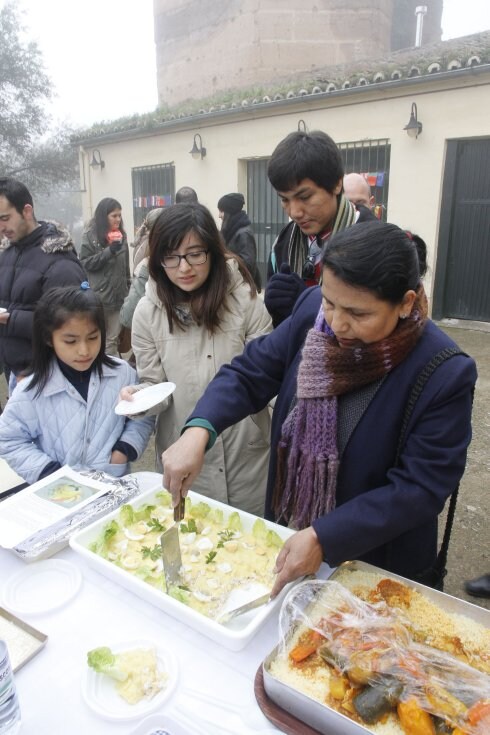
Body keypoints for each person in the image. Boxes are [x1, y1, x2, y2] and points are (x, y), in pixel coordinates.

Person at [160, 221, 477, 596]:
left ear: (406, 303)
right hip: (290, 533)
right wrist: (199, 429)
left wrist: (325, 536)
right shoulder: (313, 312)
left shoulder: (442, 371)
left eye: (358, 314)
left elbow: (419, 489)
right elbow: (250, 371)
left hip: (372, 565)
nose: (337, 323)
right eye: (330, 301)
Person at [121, 203, 272, 516]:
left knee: (255, 544)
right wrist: (140, 397)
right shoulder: (147, 313)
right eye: (171, 257)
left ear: (212, 251)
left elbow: (268, 374)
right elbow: (155, 385)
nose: (183, 268)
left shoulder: (245, 300)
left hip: (247, 457)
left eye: (194, 254)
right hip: (187, 459)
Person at [0, 284, 154, 485]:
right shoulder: (32, 389)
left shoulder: (122, 373)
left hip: (112, 484)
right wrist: (49, 473)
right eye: (70, 341)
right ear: (49, 339)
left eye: (92, 338)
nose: (84, 350)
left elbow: (142, 415)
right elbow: (9, 439)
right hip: (59, 495)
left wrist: (124, 449)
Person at [264, 130, 375, 326]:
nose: (294, 212)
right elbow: (281, 337)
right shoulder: (283, 243)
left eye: (304, 197)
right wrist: (278, 315)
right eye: (285, 200)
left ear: (337, 184)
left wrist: (309, 306)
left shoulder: (378, 244)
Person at [0, 177, 86, 393]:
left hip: (47, 380)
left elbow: (72, 324)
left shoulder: (60, 261)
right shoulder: (7, 253)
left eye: (4, 218)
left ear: (27, 211)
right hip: (15, 374)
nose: (1, 227)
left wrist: (10, 320)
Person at [80, 198, 130, 356]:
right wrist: (109, 252)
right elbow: (85, 263)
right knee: (101, 338)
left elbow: (125, 266)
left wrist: (128, 287)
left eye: (119, 215)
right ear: (104, 216)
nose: (118, 219)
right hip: (100, 297)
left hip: (119, 297)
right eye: (114, 216)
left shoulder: (122, 236)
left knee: (112, 340)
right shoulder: (90, 236)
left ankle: (111, 371)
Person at [217, 192, 262, 291]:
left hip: (244, 289)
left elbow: (248, 265)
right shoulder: (230, 231)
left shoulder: (243, 233)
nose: (219, 215)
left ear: (229, 212)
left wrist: (226, 259)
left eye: (221, 211)